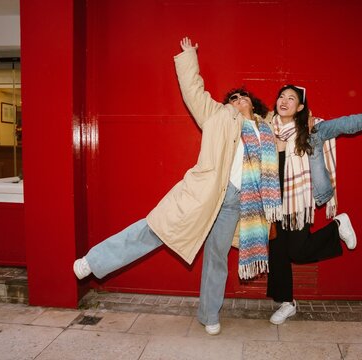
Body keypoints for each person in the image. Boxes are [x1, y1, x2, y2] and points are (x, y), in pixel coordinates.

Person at [73, 37, 281, 335]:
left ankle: (209, 315)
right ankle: (93, 261)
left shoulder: (268, 128)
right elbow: (193, 90)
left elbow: (296, 128)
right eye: (233, 97)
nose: (238, 100)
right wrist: (188, 57)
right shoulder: (217, 115)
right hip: (203, 194)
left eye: (243, 96)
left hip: (238, 203)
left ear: (253, 102)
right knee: (154, 228)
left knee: (216, 259)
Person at [266, 84, 362, 324]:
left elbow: (348, 124)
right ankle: (287, 303)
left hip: (297, 204)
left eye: (291, 98)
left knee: (297, 251)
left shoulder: (313, 130)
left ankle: (338, 226)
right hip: (273, 203)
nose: (284, 101)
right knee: (278, 255)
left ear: (300, 107)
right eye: (281, 97)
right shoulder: (266, 129)